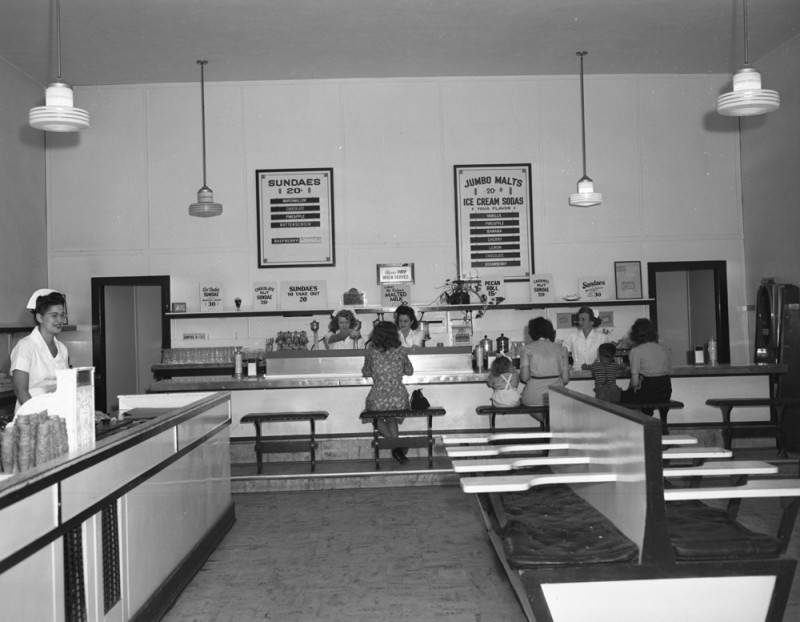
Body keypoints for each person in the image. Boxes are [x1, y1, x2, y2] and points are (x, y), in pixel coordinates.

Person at [10, 289, 70, 414]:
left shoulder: (62, 349)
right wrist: (39, 417)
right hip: (30, 419)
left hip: (56, 415)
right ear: (39, 317)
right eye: (54, 315)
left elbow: (66, 387)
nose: (60, 320)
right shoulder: (25, 347)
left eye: (62, 315)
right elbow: (21, 391)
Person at [362, 321, 414, 464]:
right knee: (391, 417)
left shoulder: (371, 352)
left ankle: (396, 447)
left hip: (378, 397)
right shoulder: (401, 350)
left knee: (376, 418)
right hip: (398, 397)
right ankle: (397, 448)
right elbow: (410, 371)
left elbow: (366, 372)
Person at [620, 318, 672, 412]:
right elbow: (668, 369)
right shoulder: (664, 348)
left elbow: (635, 379)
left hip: (647, 391)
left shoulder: (636, 351)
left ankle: (641, 420)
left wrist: (633, 389)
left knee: (621, 396)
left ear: (635, 333)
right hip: (665, 391)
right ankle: (661, 420)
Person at [519, 317, 570, 407]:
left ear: (532, 332)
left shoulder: (526, 349)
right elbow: (565, 379)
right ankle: (548, 421)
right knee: (554, 417)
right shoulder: (562, 349)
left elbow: (524, 377)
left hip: (533, 397)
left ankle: (546, 421)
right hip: (557, 396)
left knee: (545, 417)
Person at [564, 306, 610, 370]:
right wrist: (568, 365)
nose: (580, 322)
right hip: (577, 374)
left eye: (583, 319)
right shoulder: (572, 337)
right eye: (579, 319)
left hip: (597, 374)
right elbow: (563, 354)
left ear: (592, 322)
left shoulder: (602, 338)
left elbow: (607, 359)